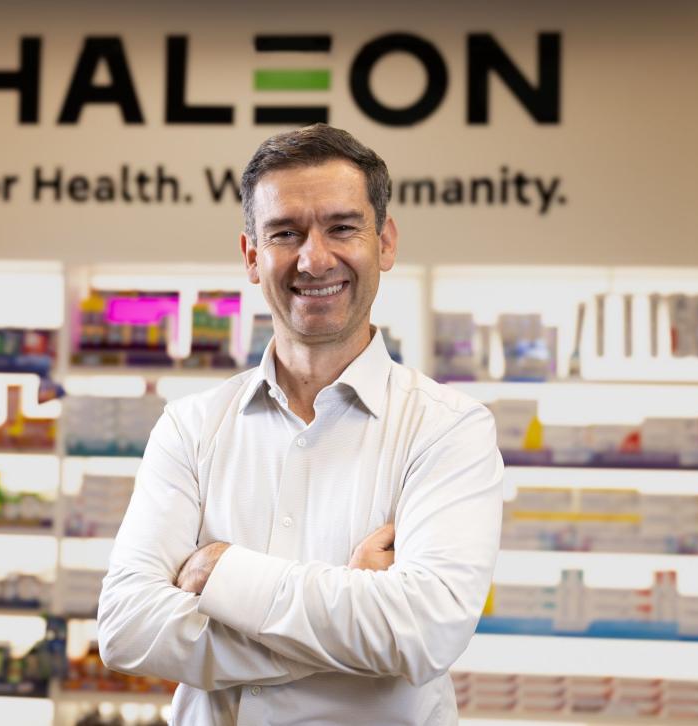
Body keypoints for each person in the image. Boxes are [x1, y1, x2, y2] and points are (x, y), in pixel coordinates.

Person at [97, 124, 503, 725]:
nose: (314, 259)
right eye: (285, 233)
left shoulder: (448, 430)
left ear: (385, 243)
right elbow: (127, 628)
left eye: (342, 228)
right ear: (251, 257)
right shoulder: (190, 427)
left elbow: (424, 632)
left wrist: (224, 573)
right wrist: (351, 613)